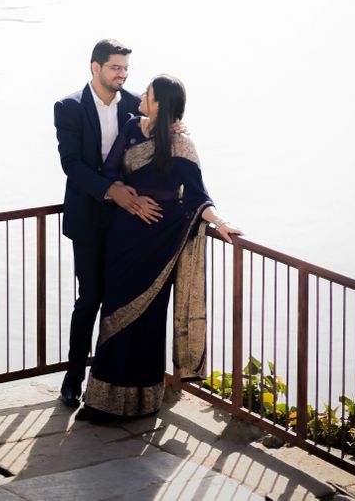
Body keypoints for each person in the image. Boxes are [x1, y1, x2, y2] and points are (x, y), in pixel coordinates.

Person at [76, 74, 241, 423]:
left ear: (160, 102)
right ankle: (103, 402)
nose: (141, 94)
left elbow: (198, 196)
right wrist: (128, 196)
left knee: (149, 320)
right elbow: (110, 170)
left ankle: (141, 404)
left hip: (159, 244)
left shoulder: (181, 145)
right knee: (114, 314)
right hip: (124, 238)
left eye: (148, 93)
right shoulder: (133, 127)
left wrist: (219, 223)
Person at [53, 38, 164, 409]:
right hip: (87, 218)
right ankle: (73, 378)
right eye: (116, 67)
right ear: (95, 67)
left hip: (127, 221)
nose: (122, 74)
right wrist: (108, 190)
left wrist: (173, 130)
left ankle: (112, 382)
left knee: (122, 300)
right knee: (90, 300)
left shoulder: (135, 103)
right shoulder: (68, 107)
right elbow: (71, 163)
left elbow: (157, 136)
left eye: (126, 69)